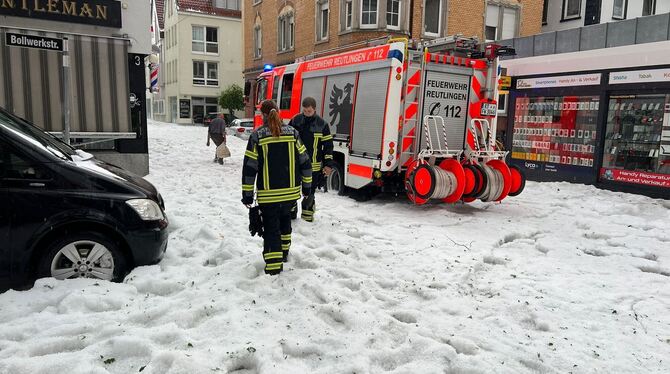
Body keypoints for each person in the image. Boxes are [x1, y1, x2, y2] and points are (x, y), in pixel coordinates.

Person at [242, 100, 312, 275]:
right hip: (290, 194)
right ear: (278, 112)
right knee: (285, 222)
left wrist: (247, 194)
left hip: (268, 194)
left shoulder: (258, 136)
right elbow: (305, 162)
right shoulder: (293, 133)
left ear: (263, 115)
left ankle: (273, 268)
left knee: (272, 228)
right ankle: (284, 253)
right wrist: (307, 187)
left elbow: (250, 168)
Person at [288, 97, 334, 222]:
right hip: (295, 165)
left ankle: (307, 219)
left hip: (313, 167)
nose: (307, 114)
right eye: (304, 111)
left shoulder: (322, 124)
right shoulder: (295, 121)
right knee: (292, 190)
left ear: (314, 109)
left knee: (309, 192)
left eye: (309, 111)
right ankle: (291, 216)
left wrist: (328, 165)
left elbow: (328, 147)